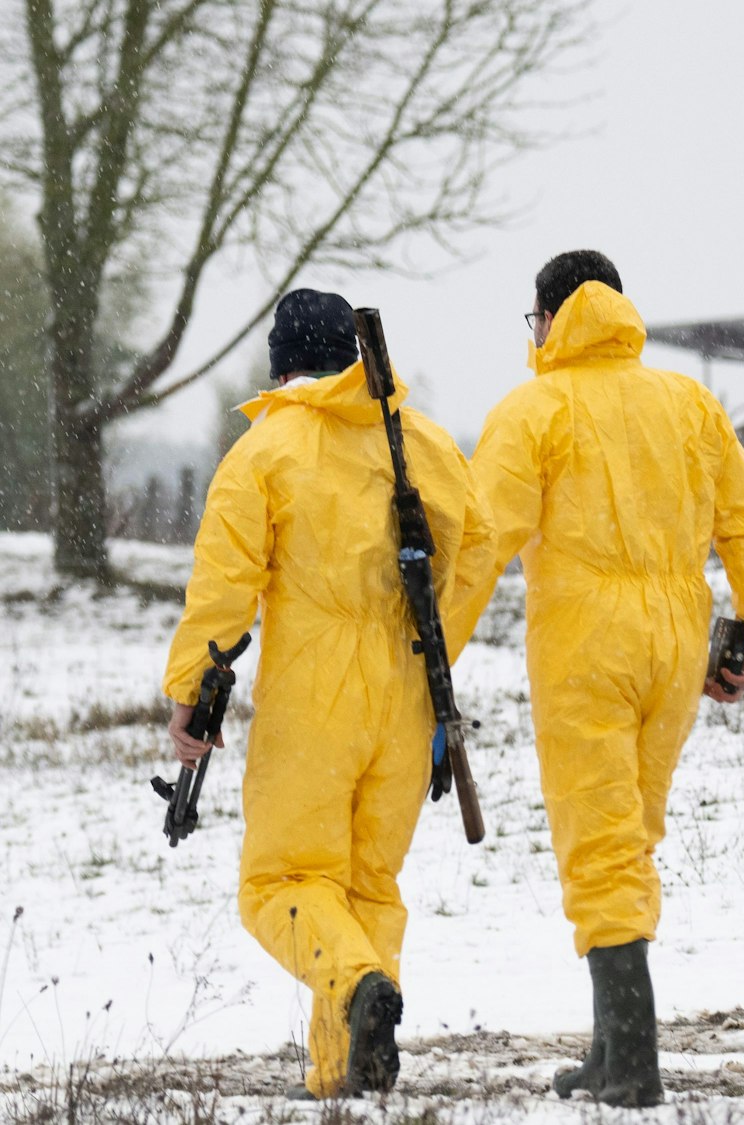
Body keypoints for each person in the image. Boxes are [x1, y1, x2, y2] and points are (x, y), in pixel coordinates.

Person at [449, 250, 744, 1107]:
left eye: (535, 320)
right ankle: (611, 1048)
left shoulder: (532, 411)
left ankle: (631, 1061)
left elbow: (483, 539)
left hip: (584, 644)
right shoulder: (689, 404)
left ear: (552, 318)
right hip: (676, 641)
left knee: (599, 841)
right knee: (630, 831)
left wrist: (431, 654)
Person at [162, 288, 494, 1099]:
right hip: (408, 689)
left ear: (283, 365)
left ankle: (355, 987)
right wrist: (429, 633)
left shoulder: (267, 451)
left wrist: (188, 695)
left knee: (279, 884)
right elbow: (478, 543)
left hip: (314, 689)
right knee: (365, 885)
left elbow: (222, 589)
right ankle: (343, 1067)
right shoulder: (416, 439)